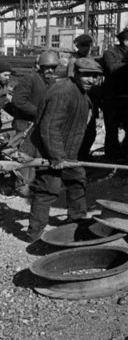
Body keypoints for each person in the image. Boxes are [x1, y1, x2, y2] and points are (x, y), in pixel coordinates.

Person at [22, 58, 103, 242]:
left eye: (95, 77)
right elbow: (49, 127)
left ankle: (76, 221)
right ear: (75, 74)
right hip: (47, 151)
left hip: (68, 153)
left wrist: (68, 156)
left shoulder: (81, 92)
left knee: (77, 179)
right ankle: (34, 235)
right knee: (47, 189)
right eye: (87, 76)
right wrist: (57, 157)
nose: (91, 80)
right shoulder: (63, 92)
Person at [9, 50, 59, 196]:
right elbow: (18, 101)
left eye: (53, 67)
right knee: (24, 155)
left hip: (40, 125)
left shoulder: (52, 82)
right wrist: (39, 112)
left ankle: (34, 183)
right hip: (25, 124)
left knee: (37, 155)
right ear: (40, 67)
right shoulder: (29, 79)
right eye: (47, 67)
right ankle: (21, 185)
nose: (50, 70)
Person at [102, 28, 128, 161]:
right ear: (125, 40)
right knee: (112, 130)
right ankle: (111, 157)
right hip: (112, 99)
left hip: (126, 98)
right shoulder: (110, 52)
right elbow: (112, 69)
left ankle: (124, 153)